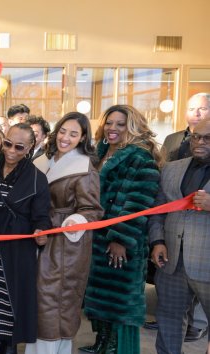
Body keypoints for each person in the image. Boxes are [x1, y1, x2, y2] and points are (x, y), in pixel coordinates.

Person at [81, 104, 162, 354]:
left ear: (133, 127)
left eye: (120, 124)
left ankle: (115, 347)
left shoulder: (140, 157)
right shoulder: (101, 152)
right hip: (96, 239)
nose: (112, 128)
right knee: (100, 297)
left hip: (121, 242)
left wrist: (120, 240)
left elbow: (138, 204)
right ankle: (102, 342)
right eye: (109, 122)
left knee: (117, 301)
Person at [27, 112, 104, 354]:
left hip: (65, 246)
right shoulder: (42, 160)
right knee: (41, 303)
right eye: (63, 131)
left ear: (82, 139)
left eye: (73, 134)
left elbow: (92, 210)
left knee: (55, 303)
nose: (65, 138)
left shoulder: (84, 168)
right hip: (40, 238)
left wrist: (72, 221)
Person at [0, 123, 52, 354]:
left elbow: (41, 217)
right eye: (8, 144)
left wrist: (41, 232)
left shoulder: (36, 178)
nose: (11, 151)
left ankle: (9, 343)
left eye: (19, 147)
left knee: (11, 298)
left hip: (16, 250)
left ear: (30, 147)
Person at [149, 118, 210, 354]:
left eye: (207, 138)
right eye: (195, 136)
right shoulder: (172, 168)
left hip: (206, 264)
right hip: (172, 262)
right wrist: (157, 241)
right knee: (168, 324)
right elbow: (157, 211)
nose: (199, 142)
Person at [162, 92, 209, 161]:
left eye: (203, 109)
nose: (196, 113)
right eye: (191, 109)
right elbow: (161, 166)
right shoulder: (170, 139)